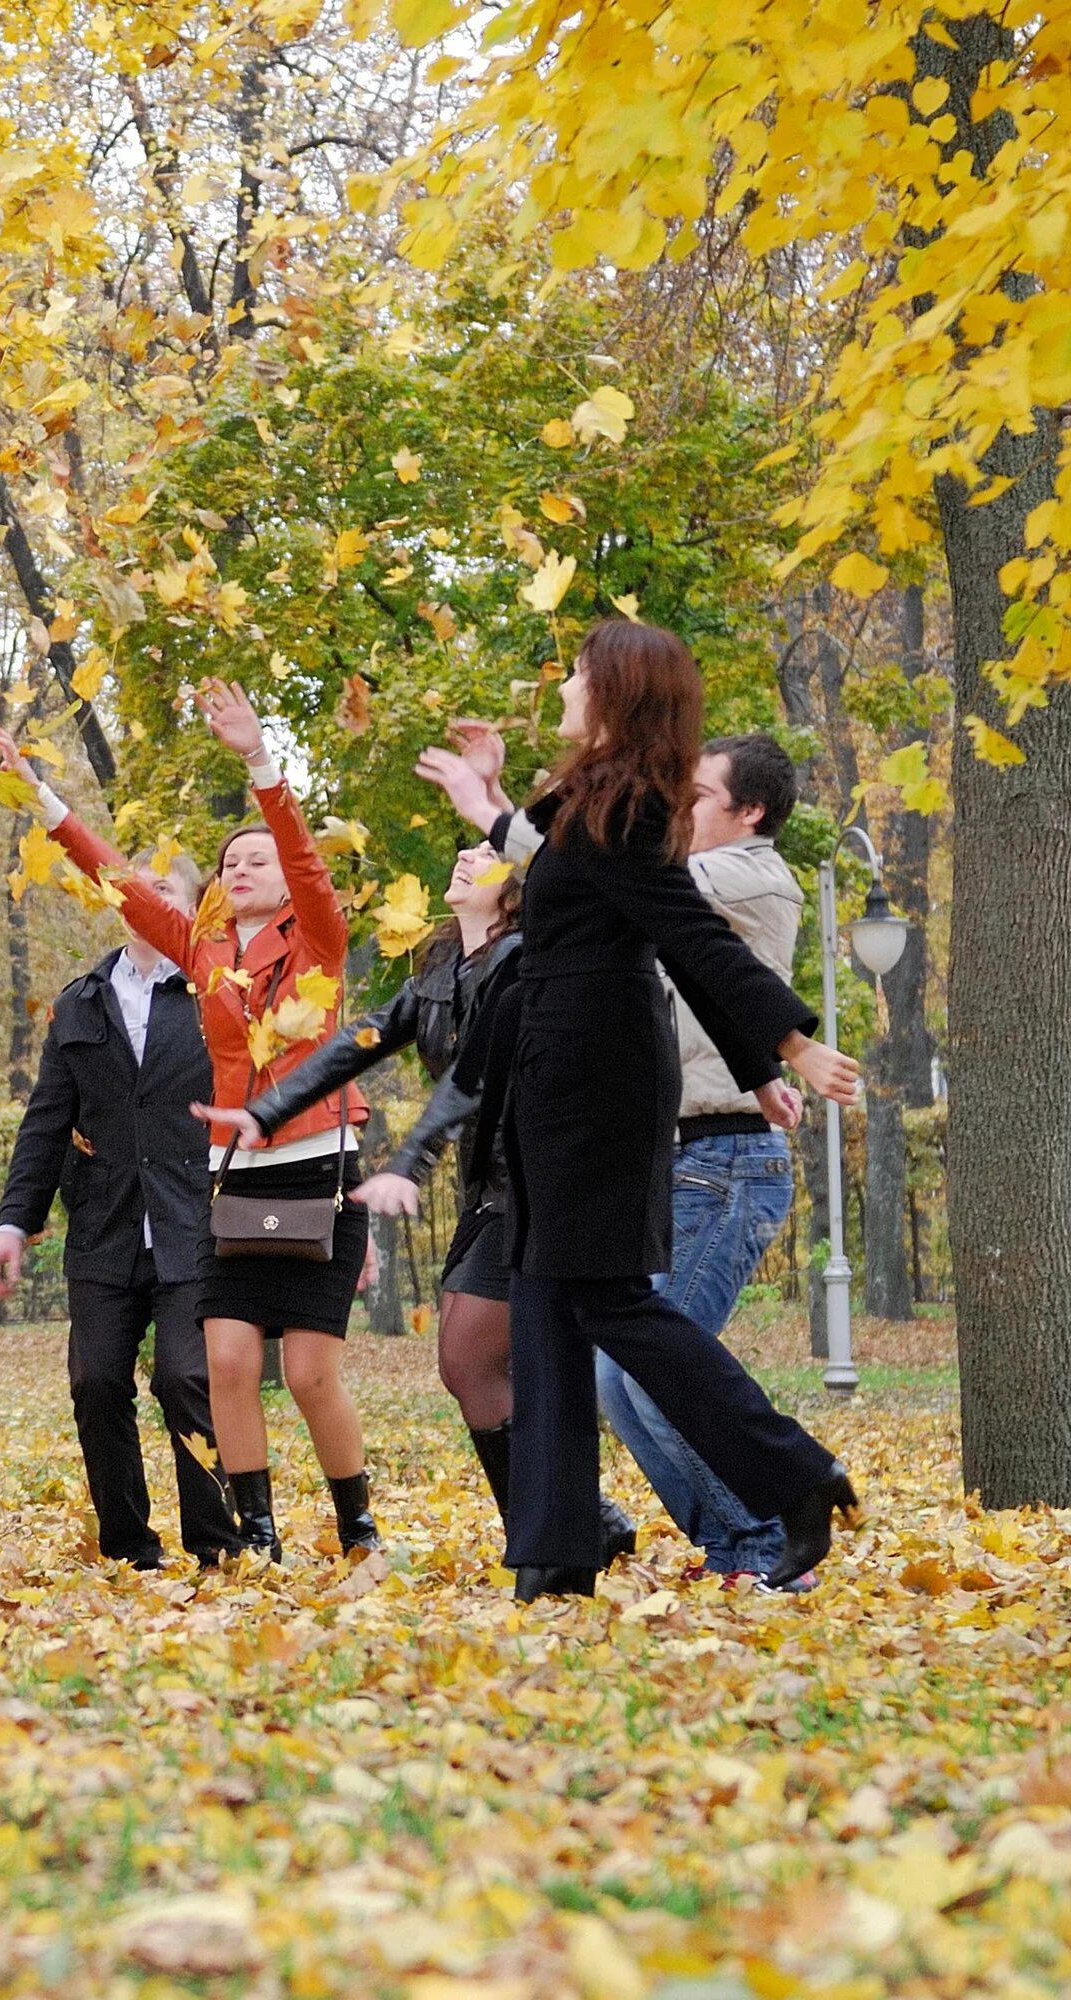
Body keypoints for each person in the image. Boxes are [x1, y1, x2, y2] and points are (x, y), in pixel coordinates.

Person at [437, 620, 861, 1601]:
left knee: (606, 1301)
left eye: (580, 671)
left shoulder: (628, 808)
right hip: (558, 1088)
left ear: (618, 690)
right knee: (545, 1313)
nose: (566, 683)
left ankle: (794, 1474)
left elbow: (689, 936)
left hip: (595, 1088)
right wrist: (493, 801)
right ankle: (552, 1554)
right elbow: (604, 908)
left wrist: (788, 1041)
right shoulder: (594, 797)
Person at [0, 680, 378, 1565]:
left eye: (257, 860)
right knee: (227, 1367)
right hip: (230, 1182)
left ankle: (357, 1527)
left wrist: (256, 760)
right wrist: (42, 796)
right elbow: (118, 883)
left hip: (319, 1165)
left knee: (311, 1373)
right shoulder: (202, 956)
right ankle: (258, 1538)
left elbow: (305, 860)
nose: (241, 867)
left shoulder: (316, 939)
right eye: (229, 861)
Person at [219, 845, 635, 1560]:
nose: (468, 857)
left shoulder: (530, 963)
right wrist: (269, 1108)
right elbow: (362, 1038)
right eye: (465, 850)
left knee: (476, 1355)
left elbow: (474, 1081)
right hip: (490, 1189)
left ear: (518, 889)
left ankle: (562, 1525)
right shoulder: (443, 975)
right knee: (474, 1364)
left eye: (489, 855)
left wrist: (412, 1162)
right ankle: (566, 1523)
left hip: (552, 1182)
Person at [0, 858, 243, 1570]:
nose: (149, 895)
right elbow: (45, 1122)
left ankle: (218, 1543)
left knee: (187, 1379)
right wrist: (15, 1222)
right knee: (96, 1382)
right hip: (105, 1228)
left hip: (197, 1223)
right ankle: (132, 1547)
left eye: (167, 887)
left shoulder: (216, 993)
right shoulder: (81, 1002)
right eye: (139, 882)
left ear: (197, 907)